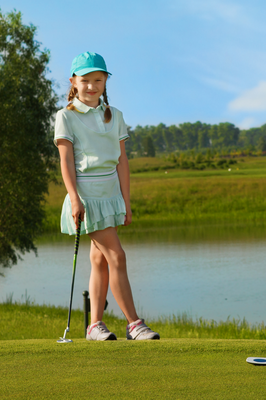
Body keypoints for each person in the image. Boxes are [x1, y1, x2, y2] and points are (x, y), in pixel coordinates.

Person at [55, 51, 159, 341]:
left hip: (110, 194)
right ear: (73, 82)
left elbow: (122, 162)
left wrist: (126, 202)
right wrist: (74, 198)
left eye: (98, 79)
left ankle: (94, 325)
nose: (91, 86)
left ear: (105, 81)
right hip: (86, 197)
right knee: (117, 255)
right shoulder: (66, 117)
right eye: (85, 80)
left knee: (100, 260)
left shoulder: (116, 116)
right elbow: (65, 162)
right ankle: (134, 324)